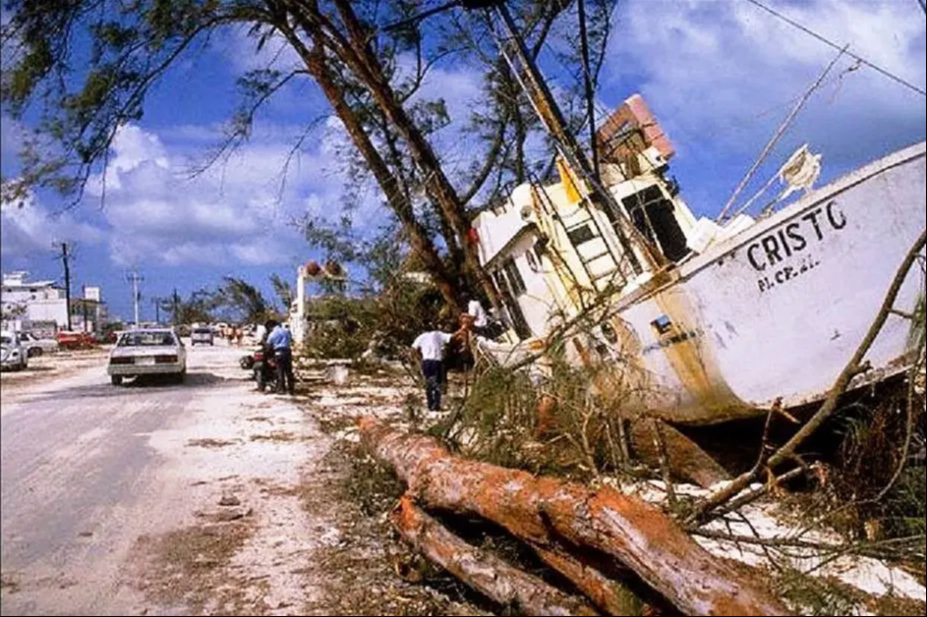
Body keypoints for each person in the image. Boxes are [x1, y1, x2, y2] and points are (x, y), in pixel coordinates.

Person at [411, 325, 458, 412]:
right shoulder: (438, 334)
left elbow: (413, 349)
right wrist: (463, 329)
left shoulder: (421, 336)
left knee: (429, 383)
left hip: (426, 362)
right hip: (436, 361)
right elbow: (452, 337)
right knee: (438, 383)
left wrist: (419, 358)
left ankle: (430, 405)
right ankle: (436, 405)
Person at [265, 319, 296, 395]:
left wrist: (268, 355)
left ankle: (281, 389)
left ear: (270, 326)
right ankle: (291, 389)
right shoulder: (286, 331)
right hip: (287, 352)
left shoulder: (272, 334)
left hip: (278, 352)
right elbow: (291, 340)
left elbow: (268, 346)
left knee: (280, 371)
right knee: (289, 372)